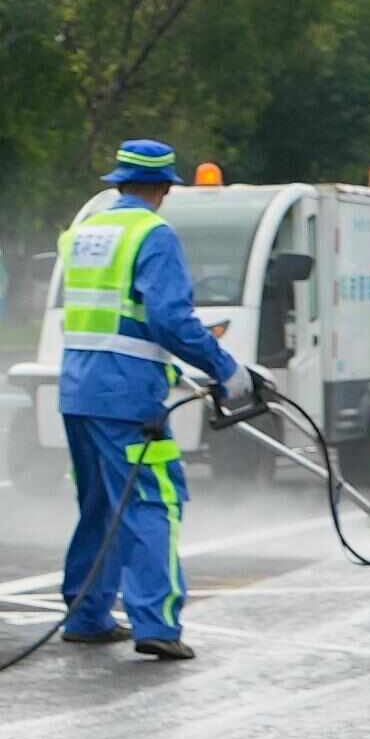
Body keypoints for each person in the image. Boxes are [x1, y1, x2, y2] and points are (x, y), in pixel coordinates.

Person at [55, 138, 251, 661]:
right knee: (151, 499)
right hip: (128, 393)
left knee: (99, 503)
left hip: (76, 388)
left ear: (118, 183)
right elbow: (169, 319)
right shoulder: (154, 235)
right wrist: (226, 368)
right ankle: (157, 622)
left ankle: (87, 614)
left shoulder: (82, 232)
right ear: (164, 187)